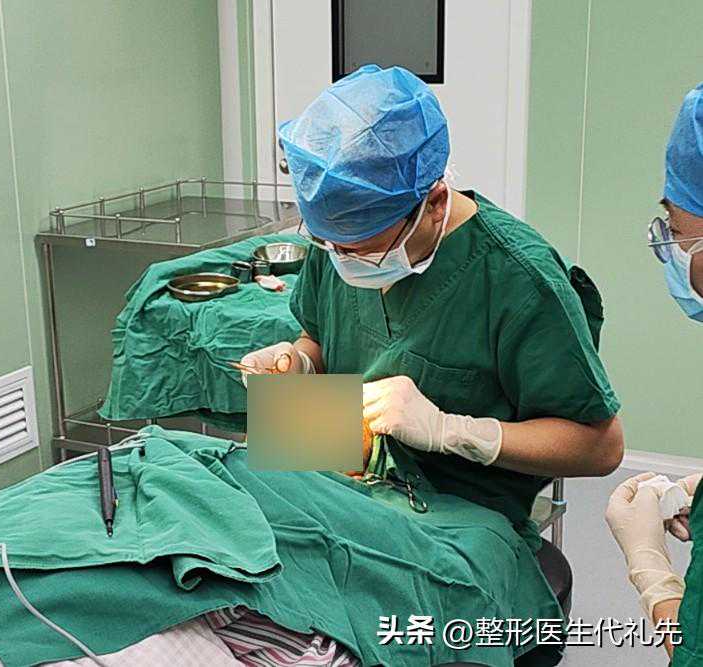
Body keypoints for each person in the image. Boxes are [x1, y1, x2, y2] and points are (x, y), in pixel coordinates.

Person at [241, 64, 625, 536]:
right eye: (329, 243)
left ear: (436, 202)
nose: (342, 259)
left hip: (451, 512)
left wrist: (453, 430)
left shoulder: (519, 280)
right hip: (340, 464)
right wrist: (297, 363)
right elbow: (318, 335)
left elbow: (602, 447)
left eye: (363, 248)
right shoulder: (340, 235)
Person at [606, 82, 703, 665]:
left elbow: (598, 446)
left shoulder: (513, 269)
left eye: (677, 225)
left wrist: (654, 578)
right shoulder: (322, 264)